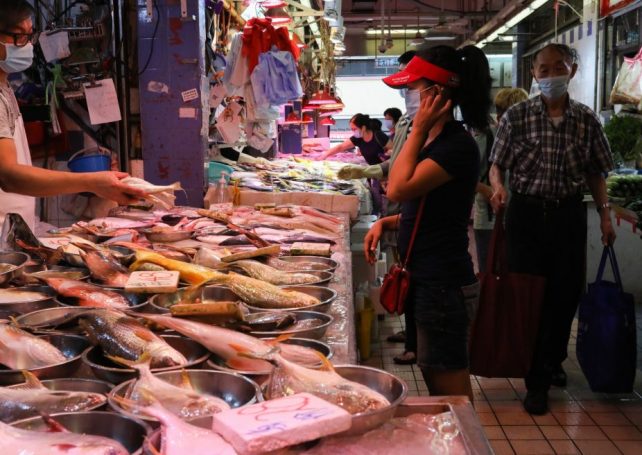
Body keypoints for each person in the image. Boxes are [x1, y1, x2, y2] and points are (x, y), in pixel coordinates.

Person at [489, 43, 615, 415]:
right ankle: (536, 381)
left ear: (572, 71)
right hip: (525, 215)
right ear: (533, 74)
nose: (550, 75)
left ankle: (550, 360)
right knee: (528, 295)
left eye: (557, 67)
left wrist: (605, 215)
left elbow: (597, 172)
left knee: (564, 296)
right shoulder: (516, 116)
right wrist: (498, 187)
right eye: (543, 70)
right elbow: (497, 163)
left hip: (568, 216)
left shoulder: (587, 120)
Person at [364, 45, 492, 401]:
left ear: (438, 92)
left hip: (443, 285)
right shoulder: (436, 141)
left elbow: (399, 187)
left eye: (413, 88)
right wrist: (387, 223)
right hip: (428, 281)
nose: (408, 97)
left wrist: (418, 128)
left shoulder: (456, 146)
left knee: (451, 396)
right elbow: (429, 207)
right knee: (435, 382)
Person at [0, 0, 144, 229]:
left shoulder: (5, 89)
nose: (27, 45)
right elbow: (9, 176)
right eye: (19, 36)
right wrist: (92, 182)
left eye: (30, 35)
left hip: (12, 234)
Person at [337, 51, 418, 364]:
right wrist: (367, 172)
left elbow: (399, 176)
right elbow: (393, 167)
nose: (407, 91)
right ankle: (409, 331)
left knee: (416, 276)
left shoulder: (432, 133)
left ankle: (415, 342)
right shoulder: (408, 125)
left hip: (416, 219)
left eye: (413, 83)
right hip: (402, 215)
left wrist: (375, 175)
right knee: (404, 269)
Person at [473, 87, 528, 273]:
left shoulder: (528, 137)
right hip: (490, 221)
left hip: (519, 218)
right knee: (491, 276)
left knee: (516, 274)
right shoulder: (487, 136)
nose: (500, 117)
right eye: (500, 111)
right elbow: (464, 176)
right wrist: (487, 190)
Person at [318, 113, 391, 164]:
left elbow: (394, 151)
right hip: (373, 171)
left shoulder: (378, 135)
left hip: (386, 171)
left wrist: (388, 153)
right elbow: (341, 147)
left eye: (354, 129)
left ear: (363, 128)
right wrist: (324, 155)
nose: (353, 132)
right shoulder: (358, 138)